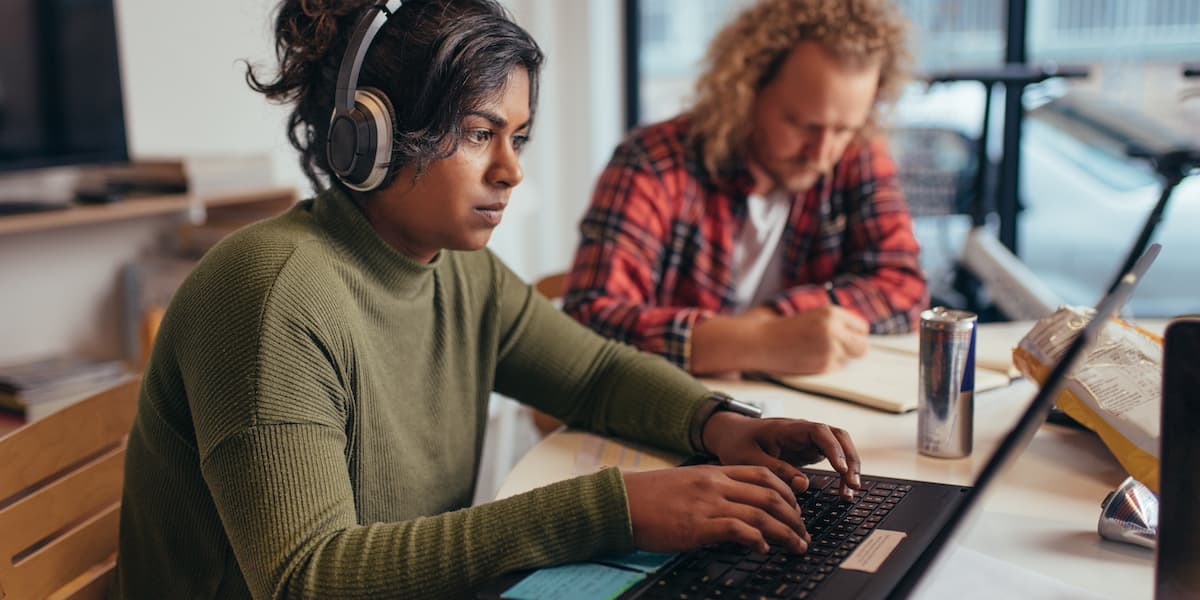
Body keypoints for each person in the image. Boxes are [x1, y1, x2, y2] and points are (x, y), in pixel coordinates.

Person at [115, 1, 863, 598]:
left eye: (520, 138)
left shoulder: (451, 268)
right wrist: (615, 510)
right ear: (370, 136)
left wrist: (720, 424)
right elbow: (309, 577)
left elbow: (594, 374)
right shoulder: (272, 296)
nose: (511, 172)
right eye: (480, 133)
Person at [563, 0, 928, 377]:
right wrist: (759, 342)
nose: (821, 153)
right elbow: (589, 321)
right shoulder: (653, 163)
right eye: (800, 124)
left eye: (843, 129)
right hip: (674, 417)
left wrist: (777, 317)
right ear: (747, 89)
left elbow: (904, 286)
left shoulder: (856, 153)